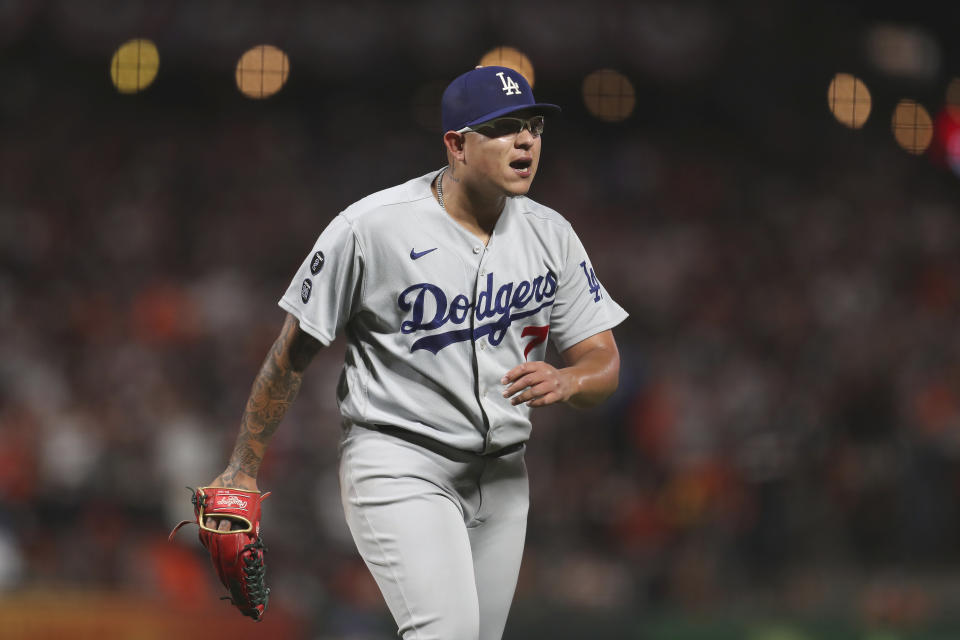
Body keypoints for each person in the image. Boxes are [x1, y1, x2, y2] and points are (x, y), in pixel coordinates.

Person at [202, 65, 628, 640]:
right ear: (456, 144)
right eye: (503, 127)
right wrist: (242, 467)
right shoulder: (371, 229)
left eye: (533, 125)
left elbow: (604, 360)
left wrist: (571, 380)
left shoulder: (552, 235)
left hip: (502, 475)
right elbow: (292, 352)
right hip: (399, 462)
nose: (526, 140)